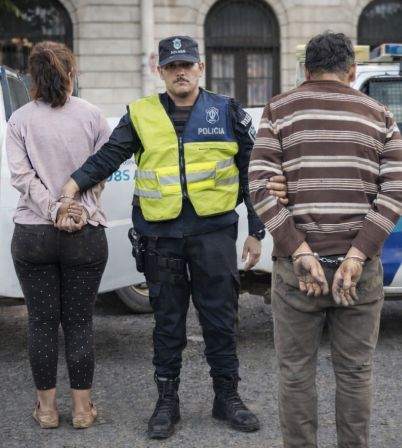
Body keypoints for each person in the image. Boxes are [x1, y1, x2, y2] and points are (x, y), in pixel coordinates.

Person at [59, 36, 264, 439]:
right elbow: (107, 158)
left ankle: (227, 398)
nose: (180, 71)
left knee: (220, 321)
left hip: (214, 235)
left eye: (187, 64)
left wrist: (256, 230)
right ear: (161, 71)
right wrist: (71, 188)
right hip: (162, 238)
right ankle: (166, 403)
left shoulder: (226, 110)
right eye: (172, 66)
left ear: (201, 68)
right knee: (167, 324)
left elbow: (251, 171)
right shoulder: (141, 114)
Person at [249, 31, 402, 447]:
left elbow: (259, 187)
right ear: (352, 70)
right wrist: (357, 255)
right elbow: (395, 193)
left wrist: (298, 248)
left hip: (295, 272)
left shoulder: (278, 110)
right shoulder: (380, 115)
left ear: (305, 69)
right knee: (356, 373)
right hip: (360, 272)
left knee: (296, 372)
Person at [7, 41, 110, 429]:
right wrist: (77, 207)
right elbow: (101, 169)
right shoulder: (94, 116)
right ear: (73, 72)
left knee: (42, 322)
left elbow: (21, 177)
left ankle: (47, 411)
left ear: (31, 77)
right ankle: (82, 411)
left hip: (34, 232)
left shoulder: (19, 120)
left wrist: (52, 209)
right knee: (80, 322)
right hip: (84, 232)